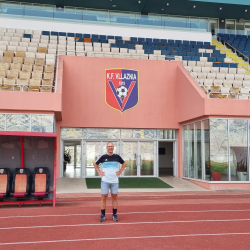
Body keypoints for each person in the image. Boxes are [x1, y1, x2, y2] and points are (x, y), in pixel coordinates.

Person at [93, 142, 126, 222]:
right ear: (107, 148)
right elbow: (95, 163)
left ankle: (114, 215)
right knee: (103, 197)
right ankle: (103, 215)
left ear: (113, 147)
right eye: (109, 146)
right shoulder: (103, 157)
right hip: (105, 181)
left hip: (114, 181)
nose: (110, 147)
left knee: (114, 197)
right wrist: (99, 172)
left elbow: (124, 163)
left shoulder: (117, 156)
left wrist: (120, 171)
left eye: (111, 146)